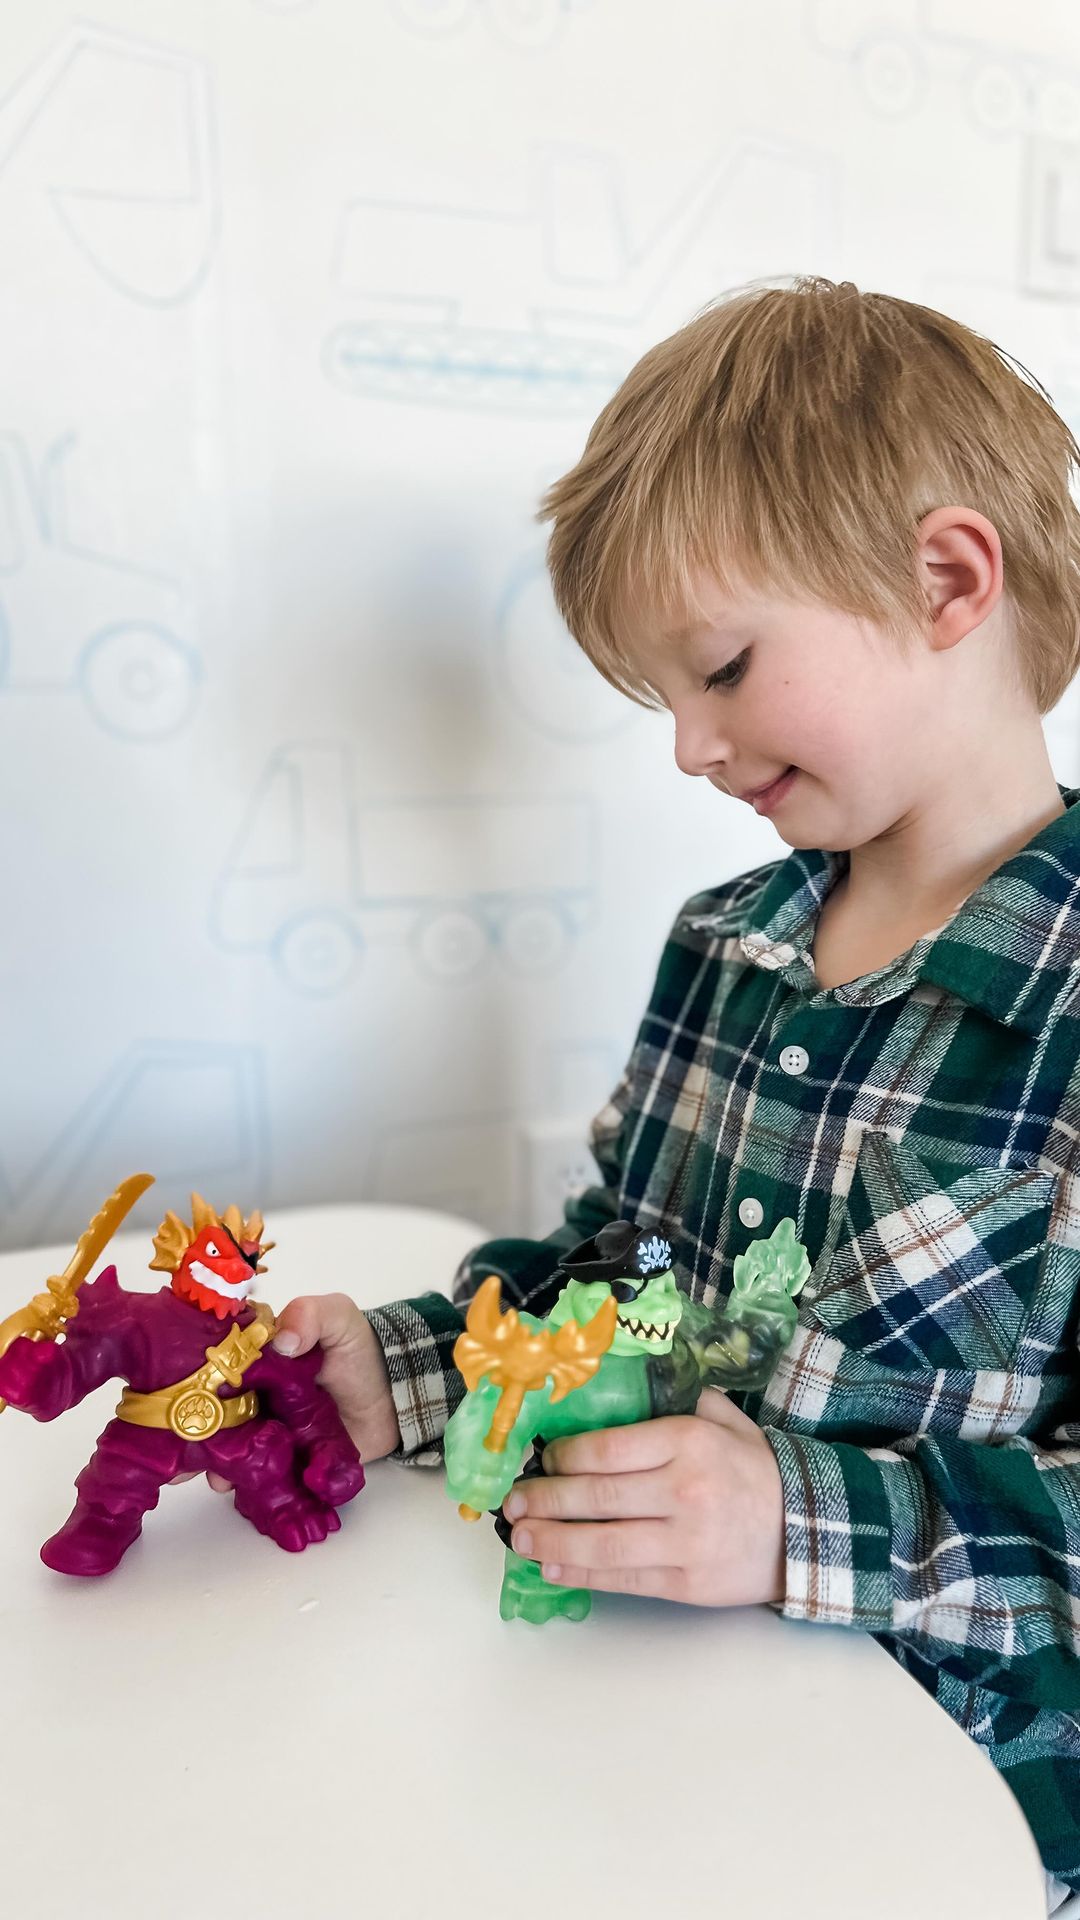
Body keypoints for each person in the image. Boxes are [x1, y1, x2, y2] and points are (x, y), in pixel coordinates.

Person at [222, 279, 1080, 1907]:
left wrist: (798, 1523)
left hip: (949, 1813)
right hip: (648, 1734)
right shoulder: (724, 942)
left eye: (726, 670)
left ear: (949, 580)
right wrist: (407, 1374)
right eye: (663, 701)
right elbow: (623, 1280)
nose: (689, 748)